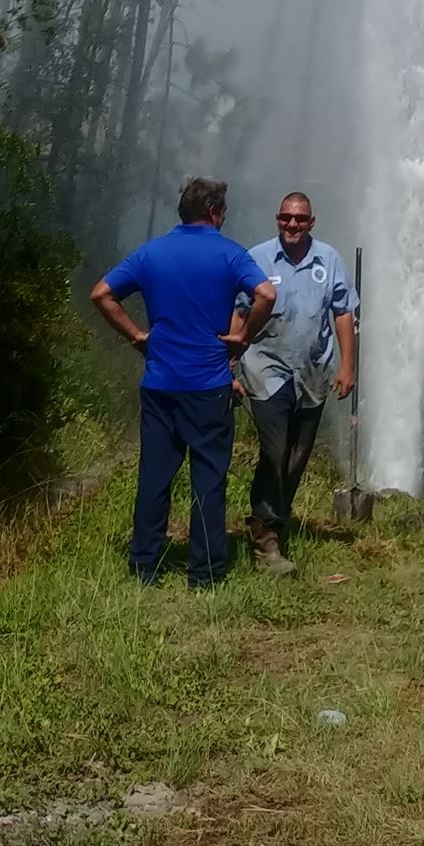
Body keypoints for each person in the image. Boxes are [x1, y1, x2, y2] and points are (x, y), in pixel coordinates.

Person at [92, 175, 278, 588]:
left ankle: (143, 568)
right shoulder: (230, 254)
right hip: (208, 385)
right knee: (208, 480)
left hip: (160, 383)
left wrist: (137, 336)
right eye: (223, 211)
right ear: (214, 212)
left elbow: (101, 293)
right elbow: (266, 294)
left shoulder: (151, 253)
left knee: (154, 479)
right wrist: (243, 338)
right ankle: (205, 573)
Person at [237, 191, 357, 576]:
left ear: (311, 222)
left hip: (313, 371)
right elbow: (239, 313)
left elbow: (343, 312)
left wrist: (347, 366)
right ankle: (266, 540)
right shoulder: (257, 258)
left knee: (296, 456)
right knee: (274, 449)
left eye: (300, 219)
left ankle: (269, 522)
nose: (292, 225)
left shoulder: (329, 259)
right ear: (277, 219)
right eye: (286, 218)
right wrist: (228, 363)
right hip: (265, 367)